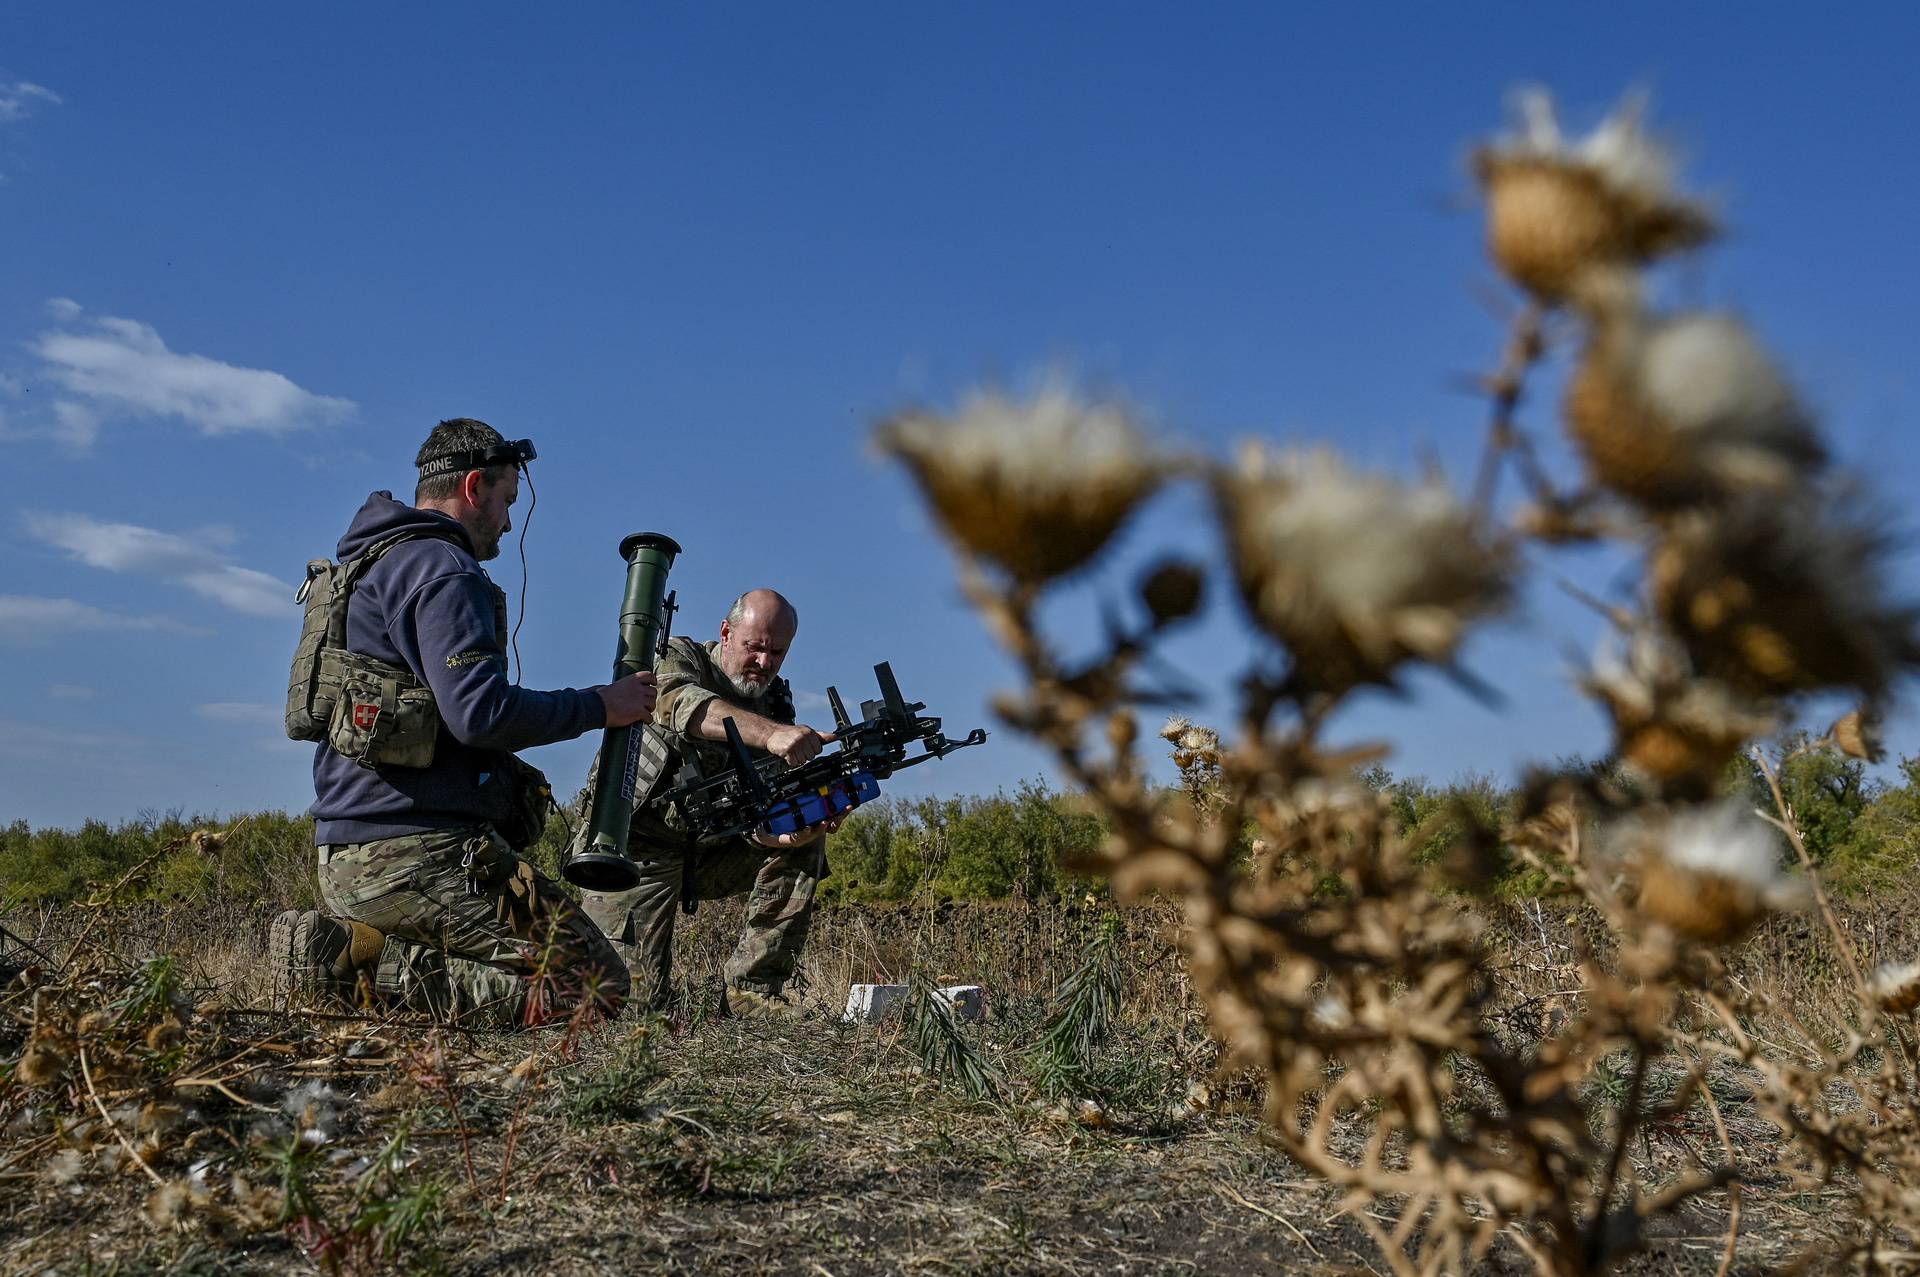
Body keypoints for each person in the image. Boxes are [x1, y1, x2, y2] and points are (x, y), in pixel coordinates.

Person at [270, 418, 658, 1027]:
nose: (508, 522)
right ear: (474, 488)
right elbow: (481, 714)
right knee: (595, 992)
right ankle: (355, 965)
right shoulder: (442, 568)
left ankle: (371, 946)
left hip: (357, 847)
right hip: (410, 852)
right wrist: (601, 705)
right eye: (507, 501)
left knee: (587, 977)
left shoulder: (379, 560)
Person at [574, 588, 837, 1015]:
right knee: (627, 1008)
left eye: (778, 653)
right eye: (755, 647)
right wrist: (771, 735)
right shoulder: (681, 658)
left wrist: (785, 828)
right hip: (640, 856)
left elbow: (762, 806)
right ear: (727, 633)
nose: (764, 663)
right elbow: (682, 705)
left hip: (713, 850)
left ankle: (752, 992)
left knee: (805, 828)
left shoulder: (773, 701)